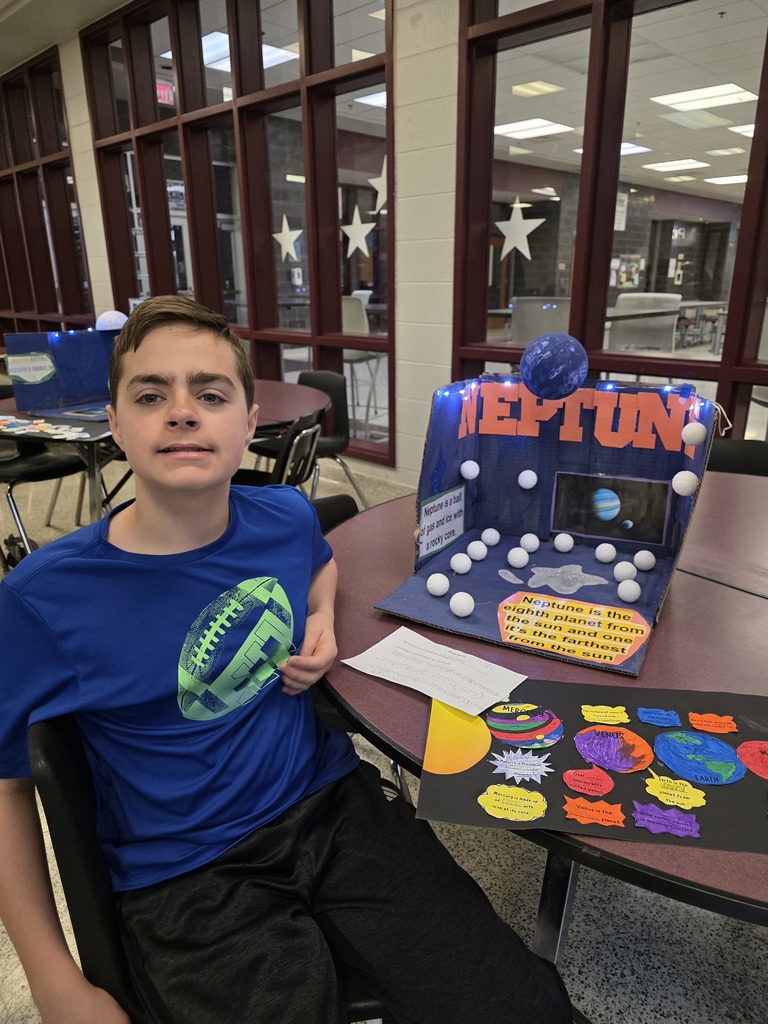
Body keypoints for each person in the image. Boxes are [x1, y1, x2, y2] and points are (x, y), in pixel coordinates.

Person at [0, 295, 572, 1024]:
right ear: (114, 425)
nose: (181, 412)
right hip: (189, 874)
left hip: (334, 808)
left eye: (209, 394)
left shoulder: (285, 513)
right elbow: (9, 790)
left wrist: (324, 618)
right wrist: (55, 982)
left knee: (521, 1007)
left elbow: (319, 564)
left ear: (247, 425)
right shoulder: (41, 599)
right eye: (151, 394)